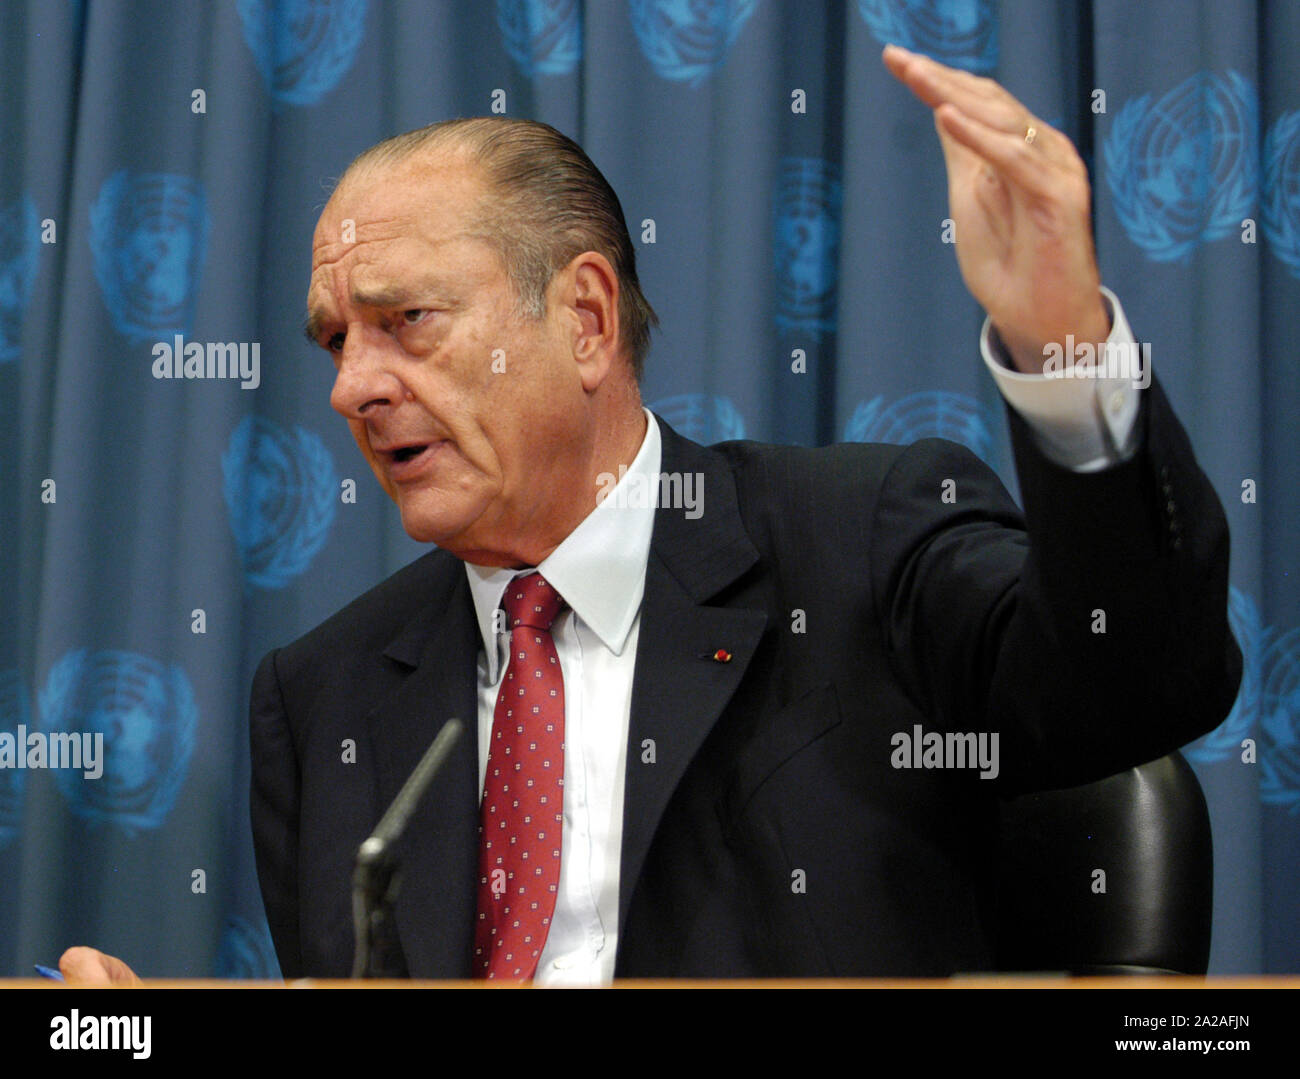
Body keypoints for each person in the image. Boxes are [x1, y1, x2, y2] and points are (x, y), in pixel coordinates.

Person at [61, 45, 1240, 985]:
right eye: (335, 339)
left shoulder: (859, 540)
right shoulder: (323, 696)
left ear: (582, 318)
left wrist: (1064, 344)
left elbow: (1136, 679)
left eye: (406, 319)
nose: (351, 386)